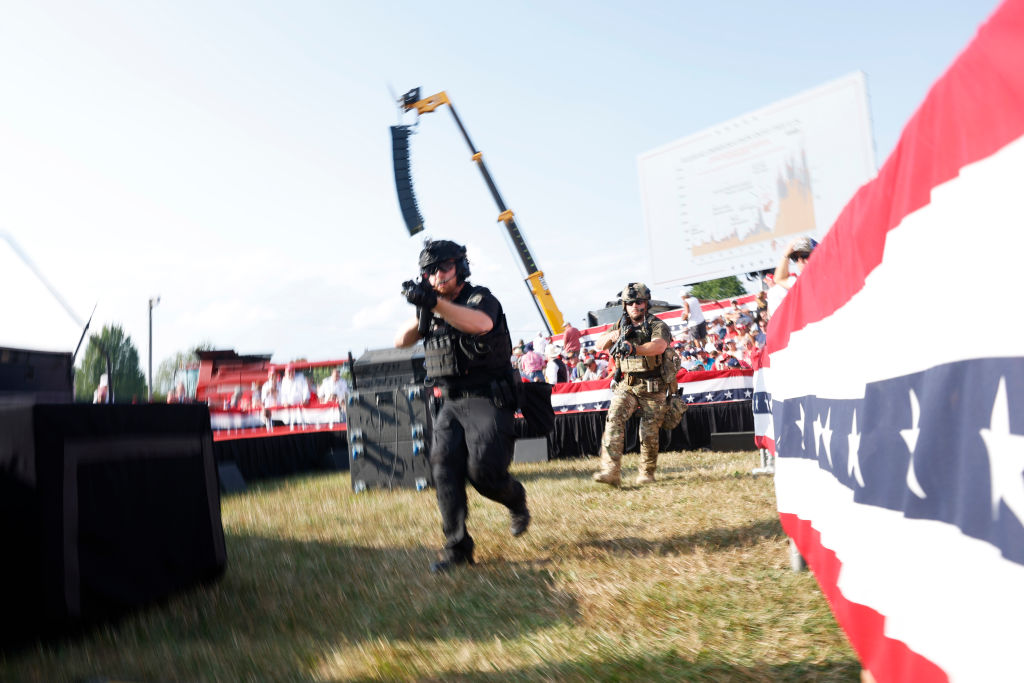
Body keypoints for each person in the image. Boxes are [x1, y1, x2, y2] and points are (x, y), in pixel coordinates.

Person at [396, 239, 530, 574]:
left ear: (461, 267)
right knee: (443, 468)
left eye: (443, 268)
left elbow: (481, 324)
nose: (437, 275)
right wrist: (424, 306)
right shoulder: (434, 306)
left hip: (487, 398)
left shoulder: (480, 298)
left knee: (483, 473)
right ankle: (457, 549)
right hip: (452, 401)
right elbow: (402, 340)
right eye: (429, 271)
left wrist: (436, 304)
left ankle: (515, 499)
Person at [593, 282, 672, 487]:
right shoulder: (620, 325)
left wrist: (633, 348)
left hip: (653, 386)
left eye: (639, 302)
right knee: (614, 419)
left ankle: (647, 473)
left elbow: (659, 346)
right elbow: (598, 344)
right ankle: (611, 471)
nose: (635, 306)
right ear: (625, 305)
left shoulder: (657, 325)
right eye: (630, 303)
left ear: (646, 304)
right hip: (627, 384)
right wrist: (612, 336)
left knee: (649, 432)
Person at [767, 236, 818, 316]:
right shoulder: (800, 283)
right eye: (795, 258)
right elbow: (778, 279)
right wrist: (787, 253)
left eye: (805, 255)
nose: (800, 260)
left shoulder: (831, 274)